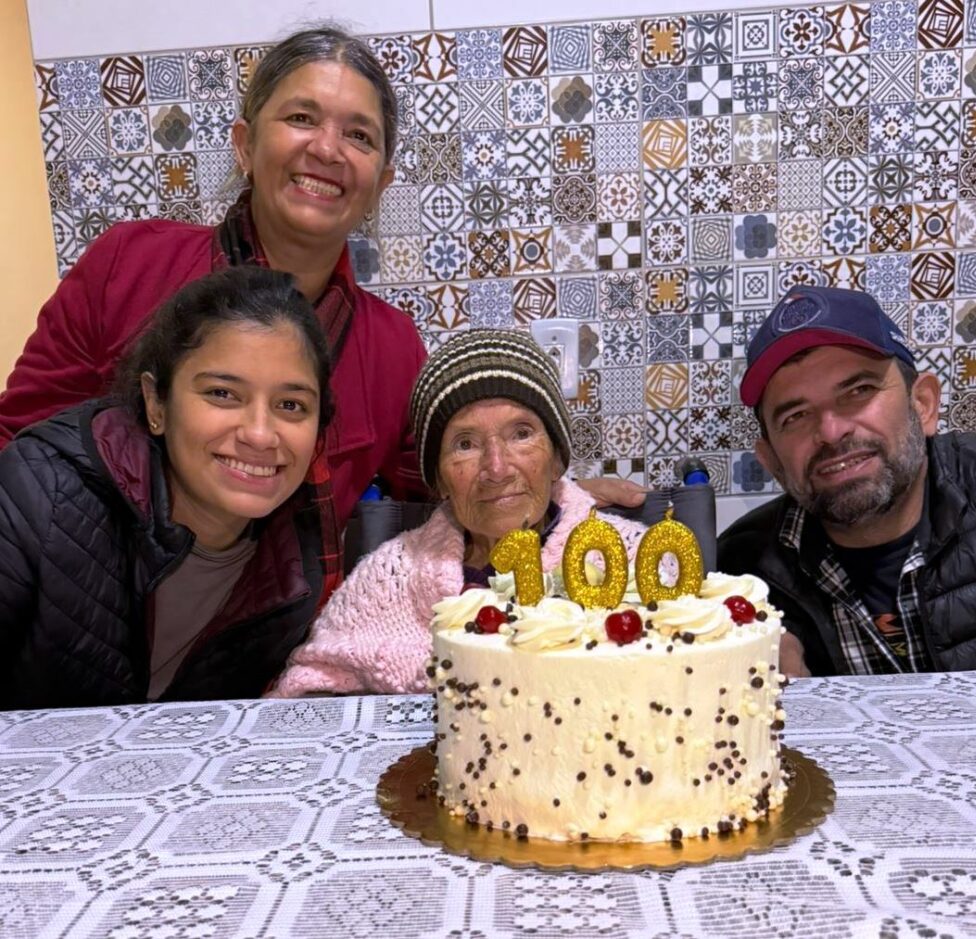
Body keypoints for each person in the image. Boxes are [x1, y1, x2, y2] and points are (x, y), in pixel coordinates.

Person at [0, 25, 643, 519]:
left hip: (288, 663)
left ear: (380, 184)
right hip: (83, 632)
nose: (328, 150)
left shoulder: (390, 347)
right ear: (247, 145)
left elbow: (439, 504)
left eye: (359, 136)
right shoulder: (128, 265)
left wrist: (546, 501)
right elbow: (18, 446)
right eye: (301, 118)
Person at [0, 267, 331, 709]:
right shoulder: (36, 494)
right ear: (156, 404)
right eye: (222, 394)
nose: (259, 434)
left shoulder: (292, 567)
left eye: (291, 405)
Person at [271, 330, 649, 695]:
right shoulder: (387, 577)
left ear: (556, 460)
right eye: (465, 444)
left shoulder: (631, 555)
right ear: (438, 479)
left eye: (521, 433)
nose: (497, 468)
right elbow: (311, 687)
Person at [717, 285, 976, 676]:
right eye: (795, 416)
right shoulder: (739, 571)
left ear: (923, 405)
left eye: (858, 391)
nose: (830, 431)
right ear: (772, 459)